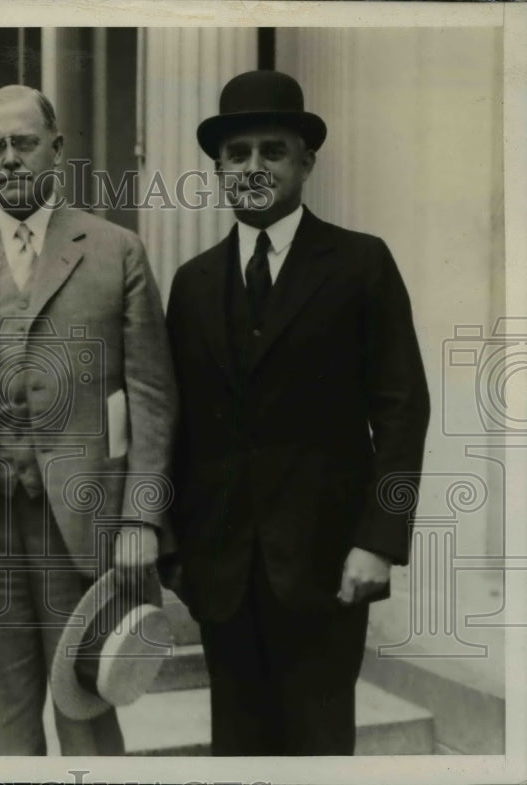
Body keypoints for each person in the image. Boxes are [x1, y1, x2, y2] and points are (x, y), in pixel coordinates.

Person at [166, 70, 431, 756]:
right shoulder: (192, 283)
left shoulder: (360, 264)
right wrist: (176, 553)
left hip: (326, 566)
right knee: (238, 749)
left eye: (272, 150)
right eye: (238, 153)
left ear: (306, 161)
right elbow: (178, 426)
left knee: (317, 749)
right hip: (221, 572)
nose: (254, 166)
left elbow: (403, 411)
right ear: (219, 169)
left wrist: (381, 539)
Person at [0, 84, 178, 755]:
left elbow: (152, 396)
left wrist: (141, 519)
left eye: (23, 143)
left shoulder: (116, 251)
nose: (8, 160)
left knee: (87, 713)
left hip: (84, 530)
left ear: (56, 149)